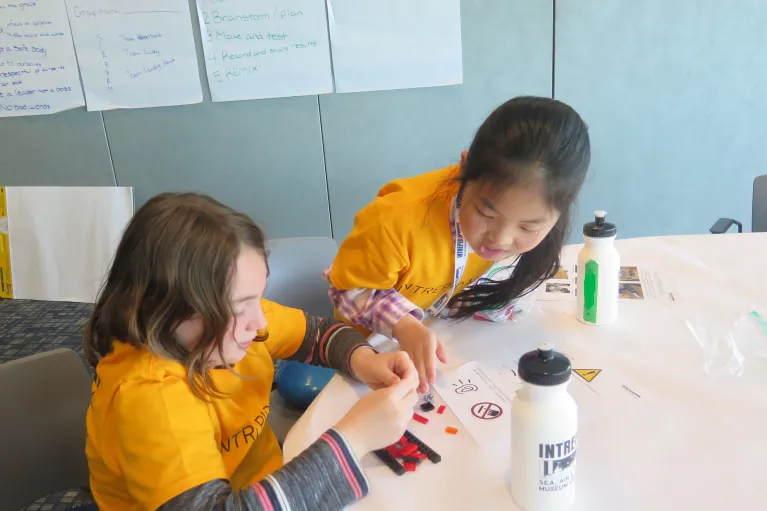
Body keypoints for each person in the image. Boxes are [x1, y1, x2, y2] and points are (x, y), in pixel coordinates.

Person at [84, 193, 418, 510]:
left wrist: (365, 360)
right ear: (165, 309)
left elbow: (316, 333)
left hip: (267, 485)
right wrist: (355, 438)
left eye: (257, 298)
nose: (259, 322)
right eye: (240, 306)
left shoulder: (226, 330)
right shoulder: (149, 397)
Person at [326, 96, 591, 392]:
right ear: (464, 168)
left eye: (529, 226)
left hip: (437, 338)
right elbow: (348, 289)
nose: (499, 239)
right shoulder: (394, 221)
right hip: (362, 357)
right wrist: (403, 324)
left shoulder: (526, 223)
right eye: (486, 213)